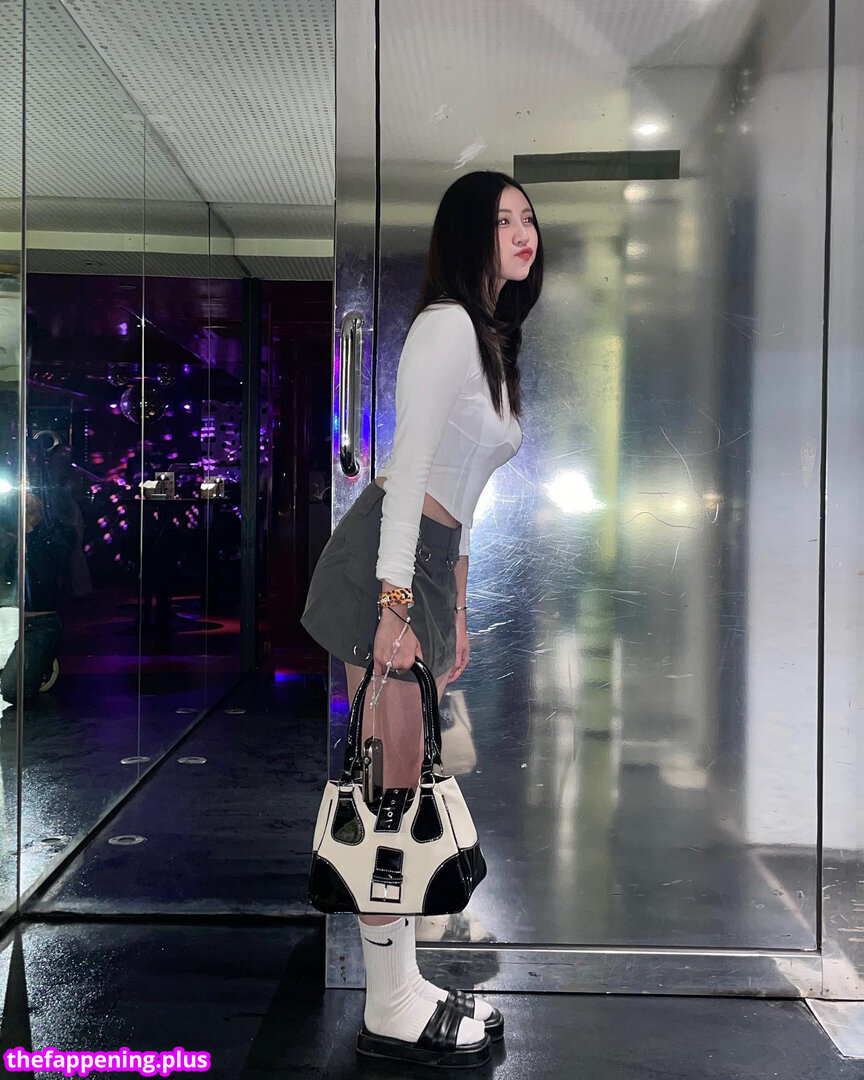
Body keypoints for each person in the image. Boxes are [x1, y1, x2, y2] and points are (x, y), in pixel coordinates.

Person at [301, 170, 543, 1067]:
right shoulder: (446, 328)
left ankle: (400, 988)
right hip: (388, 565)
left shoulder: (491, 340)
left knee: (399, 776)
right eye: (503, 218)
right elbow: (404, 475)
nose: (523, 231)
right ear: (468, 232)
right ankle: (388, 1003)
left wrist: (458, 607)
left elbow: (464, 495)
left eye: (528, 218)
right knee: (389, 786)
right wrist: (395, 606)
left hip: (428, 573)